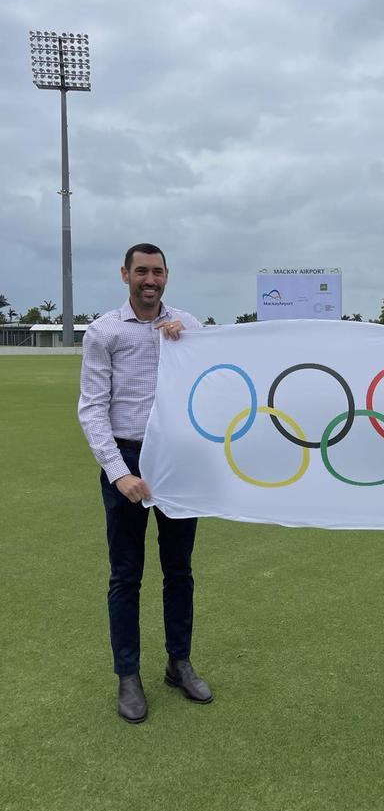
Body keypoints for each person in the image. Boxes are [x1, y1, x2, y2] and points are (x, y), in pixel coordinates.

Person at [78, 243, 213, 724]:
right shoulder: (104, 332)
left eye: (157, 272)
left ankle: (179, 663)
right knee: (126, 574)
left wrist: (187, 345)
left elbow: (215, 380)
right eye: (141, 271)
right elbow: (92, 407)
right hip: (128, 457)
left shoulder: (189, 326)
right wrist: (119, 473)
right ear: (125, 275)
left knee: (179, 570)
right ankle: (128, 676)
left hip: (177, 459)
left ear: (166, 276)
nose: (149, 279)